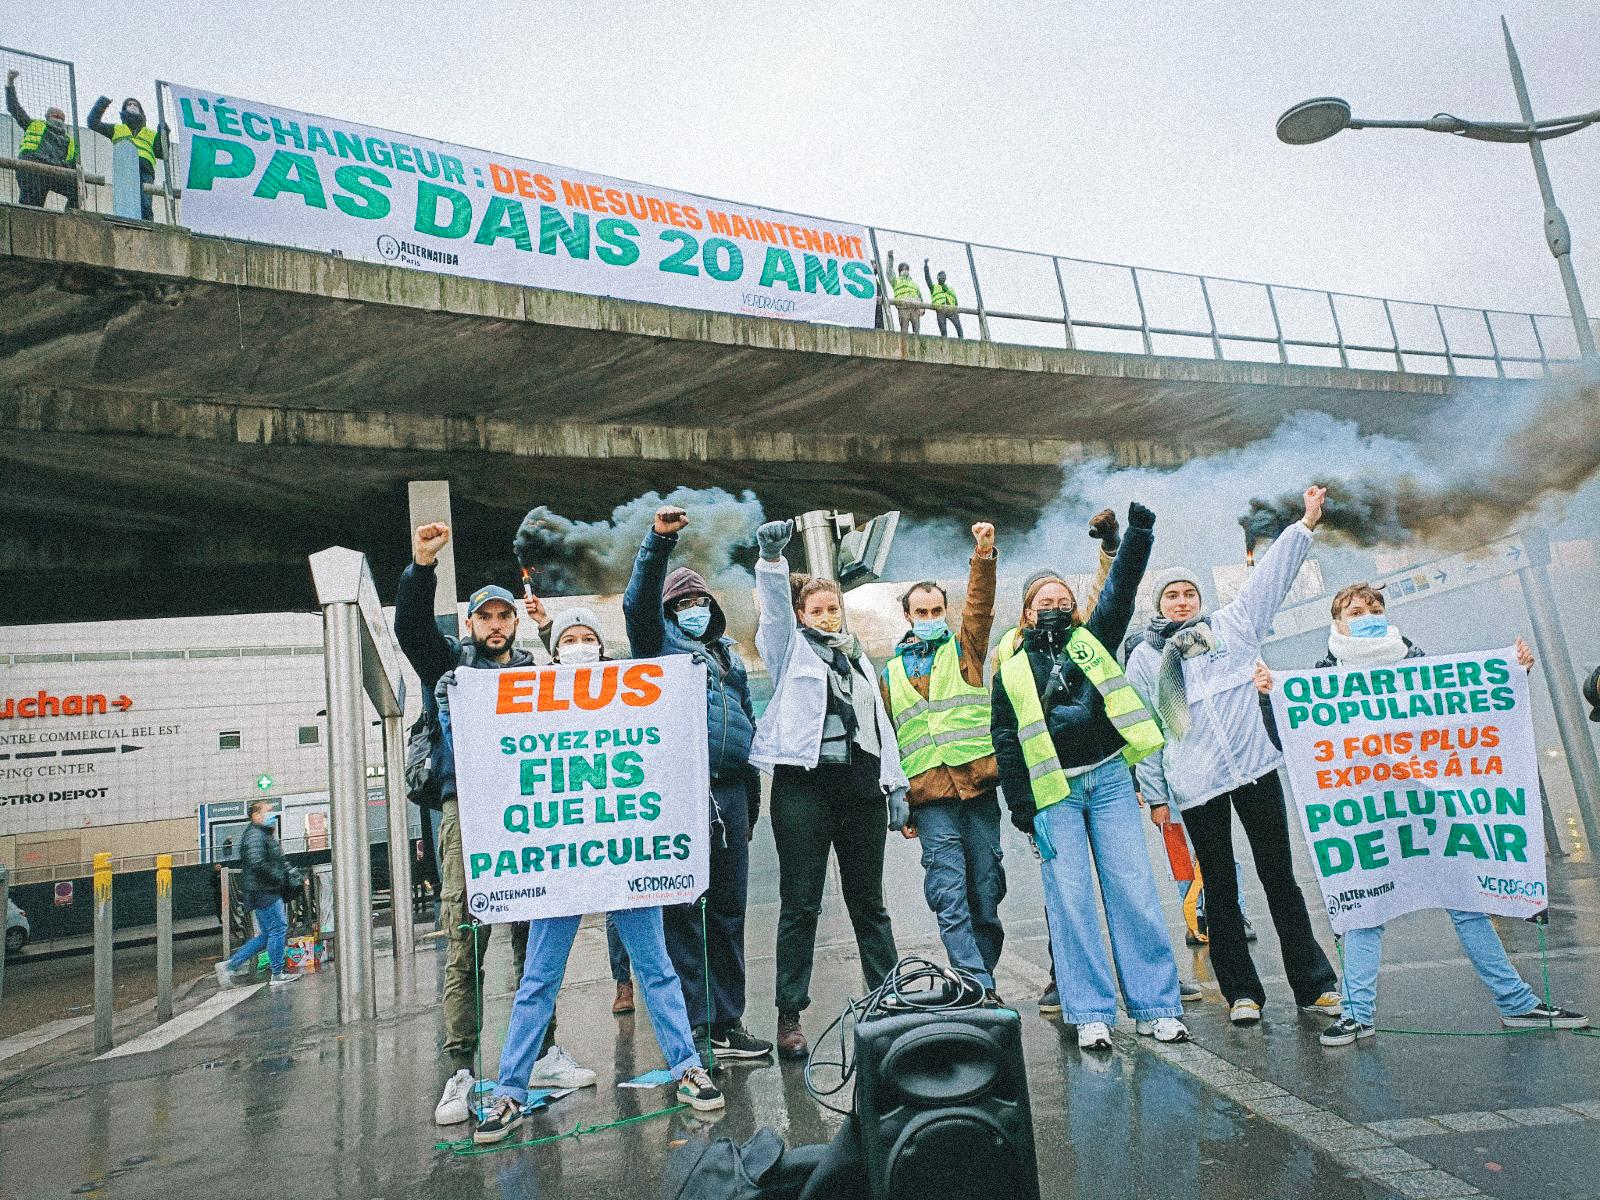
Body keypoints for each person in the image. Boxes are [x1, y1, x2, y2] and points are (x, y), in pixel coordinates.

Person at [1256, 583, 1588, 1045]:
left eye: (1374, 607)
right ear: (1336, 622)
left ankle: (1517, 1004)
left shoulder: (1419, 665)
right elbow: (1290, 743)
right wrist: (1271, 698)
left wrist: (1513, 674)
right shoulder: (1318, 680)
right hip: (1370, 812)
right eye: (1355, 609)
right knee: (1364, 908)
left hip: (1430, 807)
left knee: (1467, 900)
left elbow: (1470, 708)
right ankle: (1356, 1013)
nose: (1367, 613)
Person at [472, 608, 722, 1145]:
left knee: (656, 970)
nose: (581, 645)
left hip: (625, 862)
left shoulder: (623, 693)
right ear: (555, 651)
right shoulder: (531, 692)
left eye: (589, 638)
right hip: (562, 866)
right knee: (538, 980)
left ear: (601, 650)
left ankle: (687, 1067)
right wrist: (457, 702)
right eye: (571, 639)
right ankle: (510, 1089)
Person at [395, 524, 595, 1129]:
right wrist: (421, 568)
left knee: (534, 933)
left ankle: (540, 1051)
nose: (496, 626)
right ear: (472, 624)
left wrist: (548, 631)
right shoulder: (446, 665)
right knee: (466, 933)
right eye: (486, 617)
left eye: (504, 616)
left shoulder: (534, 671)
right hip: (466, 809)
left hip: (525, 812)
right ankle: (461, 1067)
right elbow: (410, 628)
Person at [1127, 486, 1344, 1027]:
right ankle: (1242, 992)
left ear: (1200, 599)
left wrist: (1305, 525)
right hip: (1197, 785)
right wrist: (1156, 798)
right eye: (1170, 596)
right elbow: (1147, 735)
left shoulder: (1233, 628)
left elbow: (1271, 578)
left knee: (1281, 880)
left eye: (1188, 594)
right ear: (1158, 605)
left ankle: (1313, 984)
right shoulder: (1146, 662)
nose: (1181, 602)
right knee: (1219, 891)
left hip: (1254, 772)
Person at [991, 501, 1192, 1049]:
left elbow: (1121, 589)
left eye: (1063, 599)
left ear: (1074, 607)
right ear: (1027, 614)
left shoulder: (1093, 640)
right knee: (1072, 903)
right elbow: (1007, 744)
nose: (1054, 606)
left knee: (1134, 893)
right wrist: (1023, 810)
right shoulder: (1010, 670)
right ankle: (1091, 1013)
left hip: (1106, 784)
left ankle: (1156, 1006)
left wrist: (1140, 534)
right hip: (1055, 796)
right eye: (1043, 601)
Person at [752, 519, 906, 1058]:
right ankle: (789, 1014)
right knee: (800, 903)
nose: (825, 616)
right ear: (802, 615)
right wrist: (773, 562)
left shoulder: (857, 654)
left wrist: (895, 783)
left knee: (870, 902)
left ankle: (887, 997)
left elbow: (879, 723)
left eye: (831, 609)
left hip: (860, 787)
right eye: (815, 610)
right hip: (804, 788)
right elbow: (772, 611)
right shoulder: (787, 649)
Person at [623, 505, 772, 1061]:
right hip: (682, 794)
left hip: (730, 795)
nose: (691, 612)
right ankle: (694, 1027)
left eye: (699, 604)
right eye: (680, 605)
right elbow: (637, 604)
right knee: (685, 912)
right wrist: (657, 545)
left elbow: (748, 732)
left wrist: (751, 800)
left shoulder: (728, 659)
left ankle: (729, 1024)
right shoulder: (655, 648)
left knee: (729, 912)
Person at [881, 521, 1005, 1001]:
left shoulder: (965, 650)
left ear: (946, 612)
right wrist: (904, 807)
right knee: (949, 894)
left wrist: (983, 556)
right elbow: (892, 743)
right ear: (908, 616)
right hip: (930, 799)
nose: (930, 615)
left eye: (937, 609)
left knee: (986, 889)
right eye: (921, 610)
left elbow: (981, 606)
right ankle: (978, 982)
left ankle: (983, 965)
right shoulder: (890, 672)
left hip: (976, 788)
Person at [214, 799, 297, 988]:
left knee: (266, 935)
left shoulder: (261, 833)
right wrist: (279, 877)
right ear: (256, 815)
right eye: (267, 811)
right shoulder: (255, 835)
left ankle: (230, 965)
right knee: (278, 929)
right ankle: (277, 973)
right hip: (264, 890)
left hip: (261, 889)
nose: (271, 814)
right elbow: (258, 862)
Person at [5, 70, 78, 210]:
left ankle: (71, 218)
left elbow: (73, 164)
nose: (57, 119)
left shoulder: (70, 141)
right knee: (32, 206)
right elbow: (13, 107)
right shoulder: (34, 125)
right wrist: (10, 83)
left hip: (55, 172)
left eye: (60, 117)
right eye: (54, 115)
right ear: (47, 117)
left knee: (77, 189)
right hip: (33, 168)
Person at [86, 93, 164, 220]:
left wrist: (163, 133)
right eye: (129, 104)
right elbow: (92, 123)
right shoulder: (117, 129)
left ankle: (148, 226)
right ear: (124, 109)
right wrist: (102, 103)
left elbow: (161, 152)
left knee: (145, 203)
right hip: (124, 168)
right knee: (125, 201)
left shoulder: (150, 133)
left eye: (135, 105)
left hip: (145, 169)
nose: (132, 106)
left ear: (141, 111)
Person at [885, 250, 924, 334]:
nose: (905, 270)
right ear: (900, 271)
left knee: (917, 331)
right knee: (904, 330)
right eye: (903, 269)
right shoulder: (896, 281)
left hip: (915, 308)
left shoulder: (913, 283)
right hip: (903, 307)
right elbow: (889, 272)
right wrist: (890, 258)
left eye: (907, 269)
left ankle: (916, 346)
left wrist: (922, 308)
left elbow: (919, 295)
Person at [923, 259, 963, 338]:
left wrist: (956, 309)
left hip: (951, 309)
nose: (943, 278)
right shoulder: (934, 287)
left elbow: (955, 299)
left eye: (944, 276)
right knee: (943, 329)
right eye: (941, 276)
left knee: (958, 326)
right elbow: (927, 279)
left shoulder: (949, 288)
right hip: (940, 309)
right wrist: (926, 266)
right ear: (938, 277)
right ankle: (944, 340)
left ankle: (961, 339)